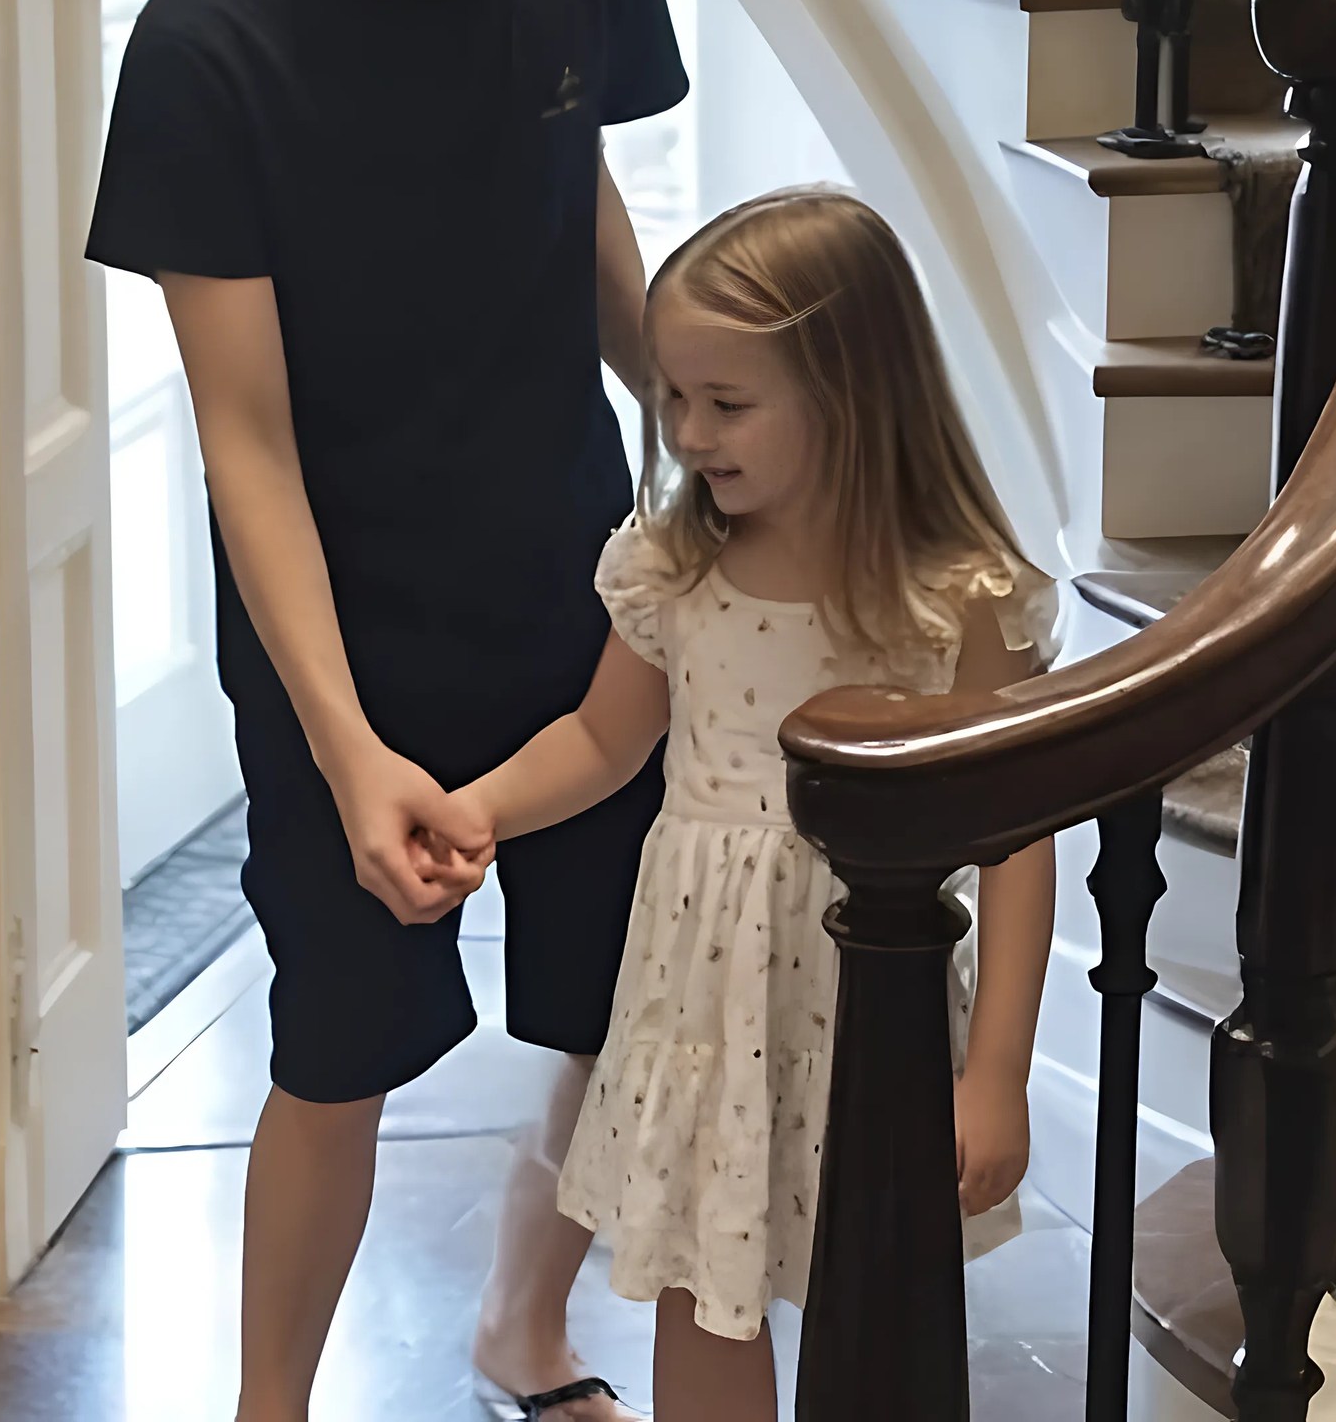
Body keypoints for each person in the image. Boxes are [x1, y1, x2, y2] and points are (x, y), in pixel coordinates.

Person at [85, 0, 688, 1422]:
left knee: (620, 1000)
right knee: (336, 1046)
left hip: (577, 575)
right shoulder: (208, 48)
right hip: (338, 628)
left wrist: (701, 424)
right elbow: (244, 439)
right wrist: (349, 750)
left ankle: (523, 1325)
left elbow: (582, 197)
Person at [438, 189, 1060, 1421]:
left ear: (852, 394)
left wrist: (996, 1070)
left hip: (866, 1004)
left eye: (725, 402)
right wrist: (481, 810)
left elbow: (1014, 838)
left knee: (873, 1285)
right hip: (698, 1004)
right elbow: (601, 737)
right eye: (672, 396)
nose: (686, 431)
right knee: (701, 1286)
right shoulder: (674, 567)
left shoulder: (951, 598)